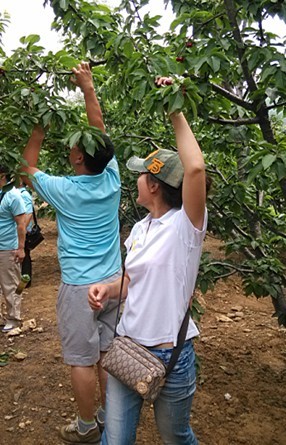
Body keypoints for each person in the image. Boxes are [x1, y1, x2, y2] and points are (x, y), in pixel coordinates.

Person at [88, 76, 208, 445]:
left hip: (171, 355)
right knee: (116, 438)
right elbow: (133, 282)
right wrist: (107, 289)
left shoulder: (185, 227)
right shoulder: (140, 228)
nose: (137, 178)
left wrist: (174, 107)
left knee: (176, 438)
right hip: (129, 346)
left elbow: (195, 170)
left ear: (154, 184)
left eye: (142, 173)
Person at [21, 62, 121, 444]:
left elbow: (28, 168)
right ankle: (110, 418)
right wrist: (88, 87)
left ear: (80, 159)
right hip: (113, 284)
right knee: (107, 353)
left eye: (76, 145)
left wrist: (40, 125)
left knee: (81, 358)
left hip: (80, 288)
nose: (74, 144)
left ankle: (86, 428)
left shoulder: (65, 190)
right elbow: (100, 132)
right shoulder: (111, 179)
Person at [0, 165, 26, 332]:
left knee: (11, 285)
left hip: (7, 248)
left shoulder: (13, 195)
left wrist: (21, 248)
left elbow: (21, 224)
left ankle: (14, 318)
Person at [18, 183, 33, 286]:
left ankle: (25, 282)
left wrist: (22, 229)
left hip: (24, 231)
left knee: (25, 254)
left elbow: (29, 213)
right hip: (21, 230)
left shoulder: (24, 194)